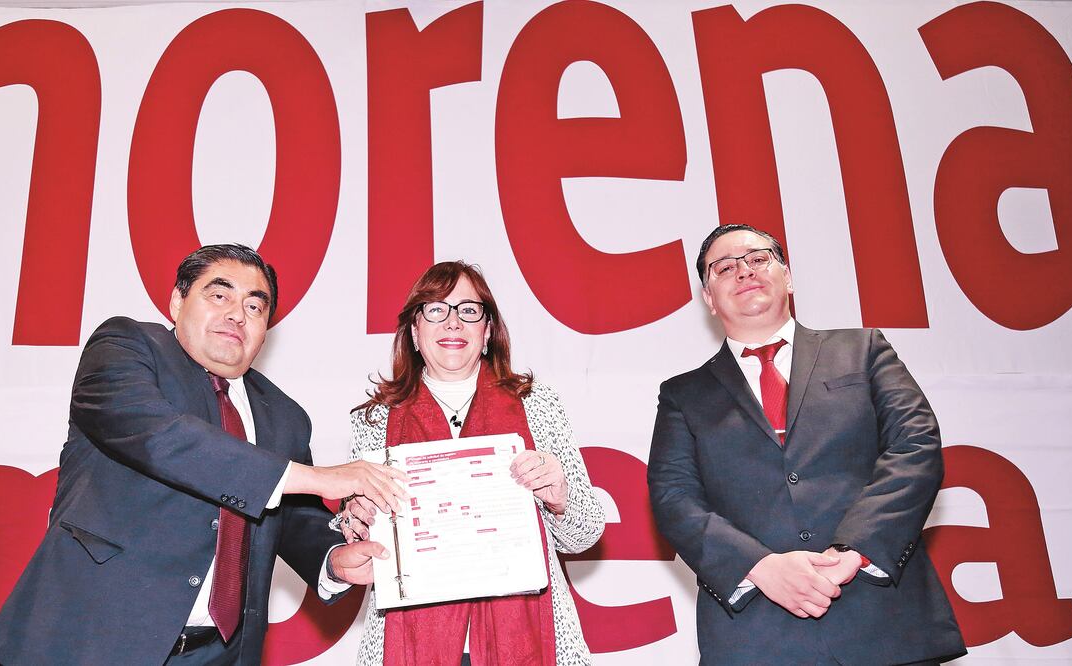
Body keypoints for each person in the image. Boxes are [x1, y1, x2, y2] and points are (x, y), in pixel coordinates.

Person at [0, 244, 407, 665]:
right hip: (91, 639)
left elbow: (291, 515)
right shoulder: (127, 347)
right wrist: (323, 477)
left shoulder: (285, 416)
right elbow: (159, 437)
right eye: (219, 295)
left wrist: (333, 560)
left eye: (255, 307)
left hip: (220, 653)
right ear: (177, 301)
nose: (238, 314)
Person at [647, 225, 966, 664]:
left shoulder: (863, 349)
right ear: (708, 298)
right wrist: (760, 568)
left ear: (788, 277)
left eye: (758, 259)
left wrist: (855, 550)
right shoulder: (684, 394)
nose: (744, 272)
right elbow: (673, 498)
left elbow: (915, 446)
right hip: (756, 636)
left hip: (883, 620)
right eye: (724, 268)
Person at [341, 261, 604, 665]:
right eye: (435, 309)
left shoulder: (538, 405)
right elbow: (360, 544)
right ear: (414, 331)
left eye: (468, 310)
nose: (452, 323)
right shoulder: (375, 420)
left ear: (487, 332)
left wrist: (560, 496)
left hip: (530, 630)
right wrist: (355, 522)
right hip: (407, 635)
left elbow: (584, 536)